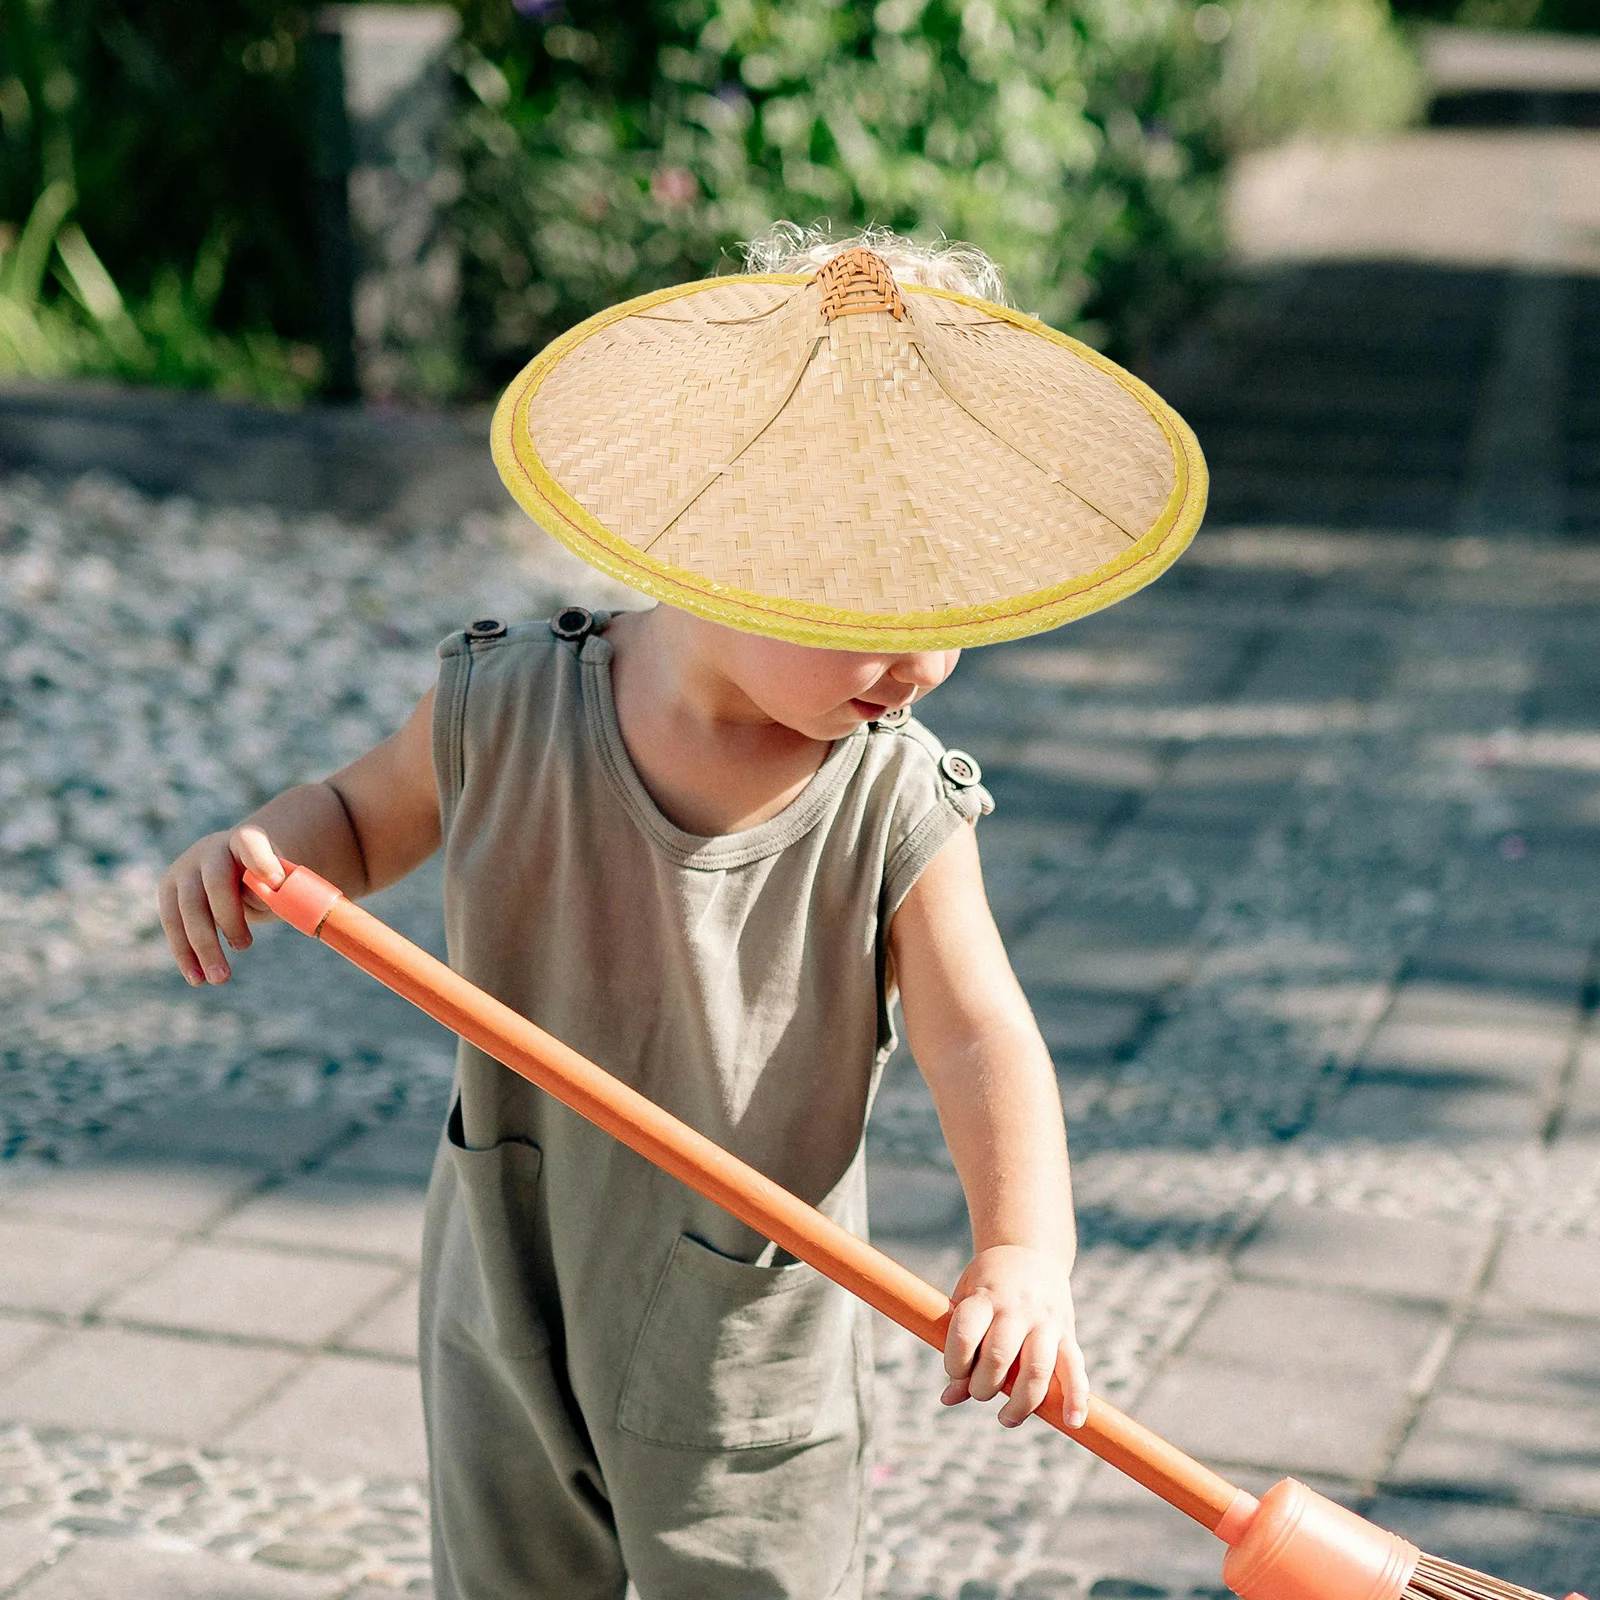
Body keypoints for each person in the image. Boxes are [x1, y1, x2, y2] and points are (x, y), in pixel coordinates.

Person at [158, 225, 1205, 1600]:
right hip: (505, 1279)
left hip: (742, 1341)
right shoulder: (504, 709)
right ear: (721, 541)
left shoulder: (890, 803)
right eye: (872, 614)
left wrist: (1022, 1255)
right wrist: (256, 851)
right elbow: (355, 823)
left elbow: (979, 1038)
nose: (919, 665)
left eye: (951, 614)